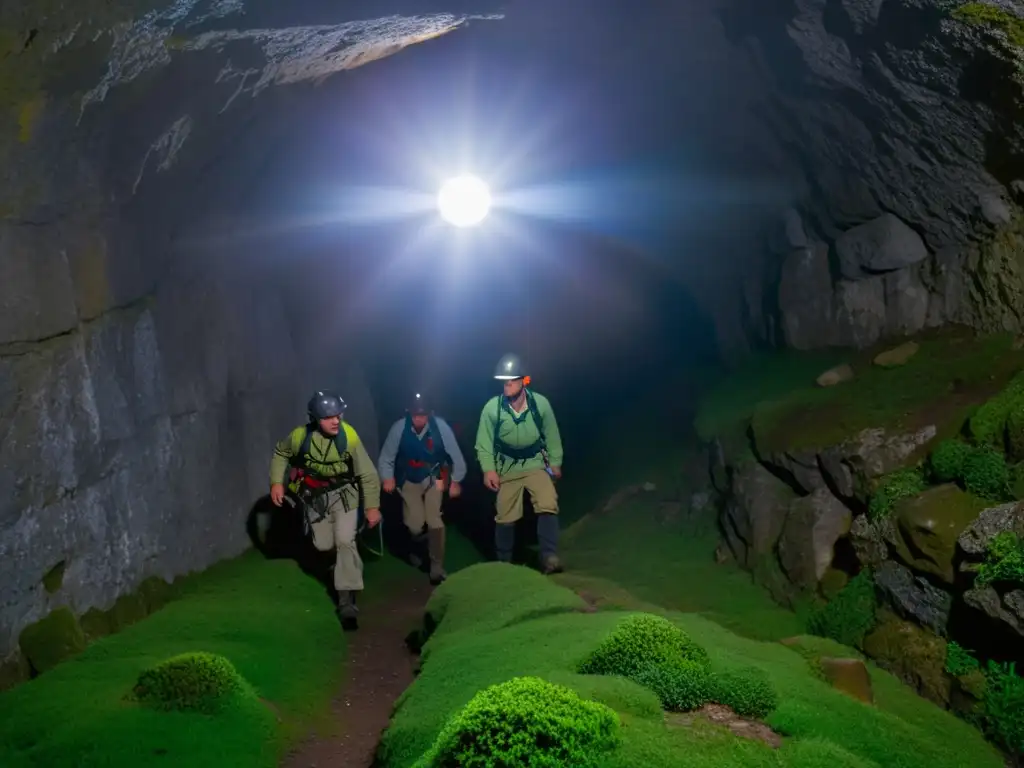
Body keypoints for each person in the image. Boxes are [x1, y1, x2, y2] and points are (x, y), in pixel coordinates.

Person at [269, 390, 381, 630]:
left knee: (344, 541)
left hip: (345, 496)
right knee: (323, 545)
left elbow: (368, 473)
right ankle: (345, 565)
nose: (335, 421)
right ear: (315, 419)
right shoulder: (300, 437)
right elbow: (281, 453)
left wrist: (372, 506)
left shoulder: (349, 436)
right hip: (315, 498)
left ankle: (347, 601)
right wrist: (277, 482)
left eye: (337, 416)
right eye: (328, 417)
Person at [474, 354, 565, 574]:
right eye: (503, 382)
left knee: (547, 501)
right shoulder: (492, 408)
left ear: (523, 381)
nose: (506, 386)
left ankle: (549, 556)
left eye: (511, 381)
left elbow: (552, 434)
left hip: (535, 463)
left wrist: (555, 462)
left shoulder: (539, 404)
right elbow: (483, 443)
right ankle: (504, 562)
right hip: (507, 466)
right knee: (505, 513)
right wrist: (488, 470)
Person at [378, 393, 467, 584]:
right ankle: (419, 545)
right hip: (409, 477)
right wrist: (387, 478)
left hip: (434, 475)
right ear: (409, 413)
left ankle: (436, 567)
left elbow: (455, 455)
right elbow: (386, 457)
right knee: (415, 525)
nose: (419, 418)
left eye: (423, 414)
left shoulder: (441, 427)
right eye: (415, 414)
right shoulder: (399, 428)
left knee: (435, 520)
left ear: (430, 413)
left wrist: (456, 480)